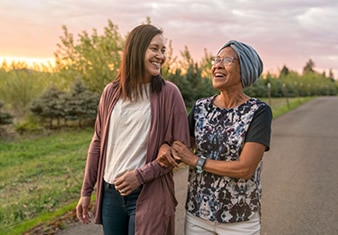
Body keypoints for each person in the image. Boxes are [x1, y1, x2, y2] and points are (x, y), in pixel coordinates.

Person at [76, 24, 190, 235]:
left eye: (163, 50)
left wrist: (140, 175)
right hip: (111, 194)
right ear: (136, 50)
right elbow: (97, 142)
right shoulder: (111, 92)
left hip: (149, 192)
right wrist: (86, 192)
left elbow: (179, 150)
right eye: (154, 49)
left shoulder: (170, 93)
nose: (161, 56)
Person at [163, 40, 272, 235]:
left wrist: (195, 160)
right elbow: (179, 146)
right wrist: (166, 147)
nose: (218, 65)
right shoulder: (200, 107)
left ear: (244, 70)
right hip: (198, 216)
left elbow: (245, 168)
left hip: (240, 220)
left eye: (227, 60)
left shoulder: (258, 112)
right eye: (216, 59)